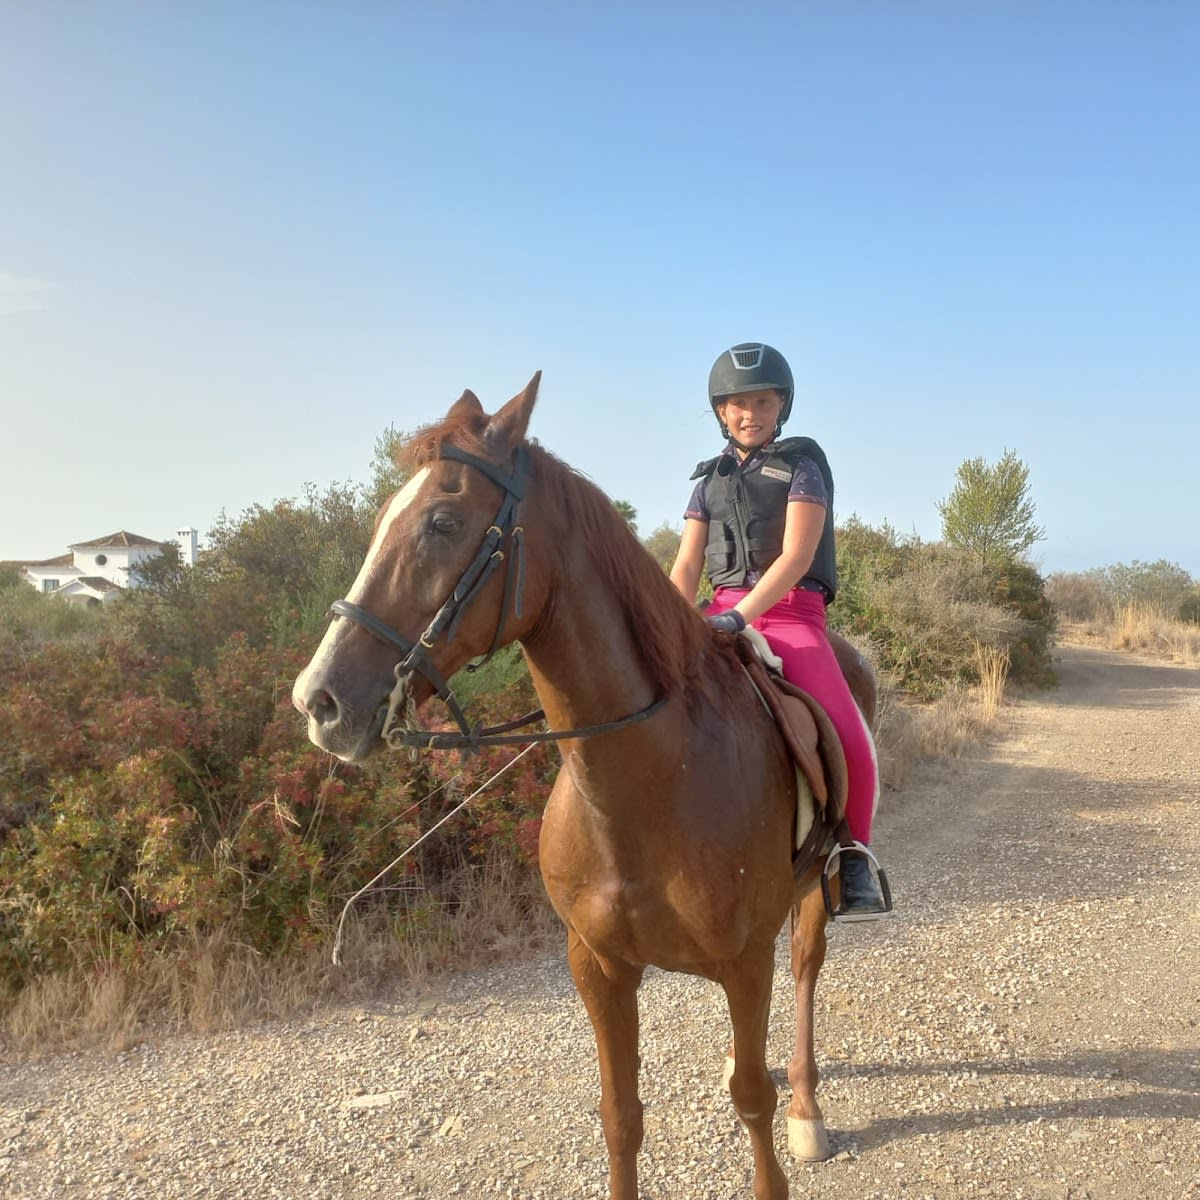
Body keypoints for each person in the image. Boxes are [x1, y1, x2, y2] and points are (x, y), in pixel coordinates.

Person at [669, 341, 889, 919]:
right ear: (721, 410)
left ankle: (855, 856)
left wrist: (740, 617)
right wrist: (665, 620)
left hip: (789, 615)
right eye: (738, 403)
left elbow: (795, 556)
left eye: (762, 401)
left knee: (847, 731)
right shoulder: (705, 482)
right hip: (717, 607)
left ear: (781, 405)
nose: (750, 413)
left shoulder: (802, 467)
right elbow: (687, 565)